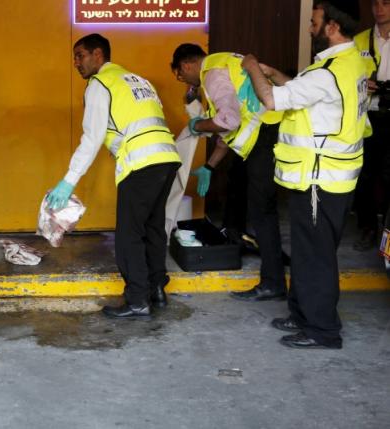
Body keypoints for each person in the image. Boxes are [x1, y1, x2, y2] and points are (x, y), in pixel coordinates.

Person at [243, 0, 367, 349]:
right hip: (328, 178)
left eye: (314, 22)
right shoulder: (350, 63)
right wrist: (277, 74)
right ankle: (301, 314)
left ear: (331, 26)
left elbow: (271, 100)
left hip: (319, 178)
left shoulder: (328, 73)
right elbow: (303, 92)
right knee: (308, 249)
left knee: (315, 255)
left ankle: (322, 330)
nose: (311, 28)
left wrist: (252, 66)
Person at [46, 33, 181, 319]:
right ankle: (156, 290)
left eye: (80, 55)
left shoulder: (100, 84)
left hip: (142, 162)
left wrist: (68, 180)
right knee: (154, 228)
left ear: (98, 55)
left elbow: (92, 138)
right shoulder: (137, 80)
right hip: (167, 157)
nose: (76, 63)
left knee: (130, 234)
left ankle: (137, 300)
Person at [170, 44, 287, 302]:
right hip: (264, 137)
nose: (183, 80)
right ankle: (273, 276)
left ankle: (273, 283)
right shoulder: (224, 66)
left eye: (180, 74)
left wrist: (198, 125)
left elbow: (229, 120)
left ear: (187, 65)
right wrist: (210, 166)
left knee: (263, 213)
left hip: (265, 139)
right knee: (257, 206)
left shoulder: (212, 74)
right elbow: (230, 131)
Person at [352, 0, 390, 251]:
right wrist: (365, 84)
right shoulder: (359, 40)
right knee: (365, 174)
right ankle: (367, 229)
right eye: (375, 3)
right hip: (369, 115)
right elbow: (349, 74)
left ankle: (387, 228)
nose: (379, 8)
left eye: (386, 3)